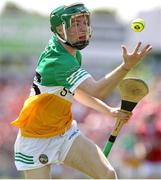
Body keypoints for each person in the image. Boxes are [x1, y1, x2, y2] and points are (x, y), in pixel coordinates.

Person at [11, 2, 152, 179]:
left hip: (64, 133)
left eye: (84, 22)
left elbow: (77, 92)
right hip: (35, 140)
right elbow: (98, 90)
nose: (83, 28)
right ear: (60, 30)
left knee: (108, 174)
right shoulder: (59, 62)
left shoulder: (71, 52)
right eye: (76, 24)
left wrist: (108, 111)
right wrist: (125, 67)